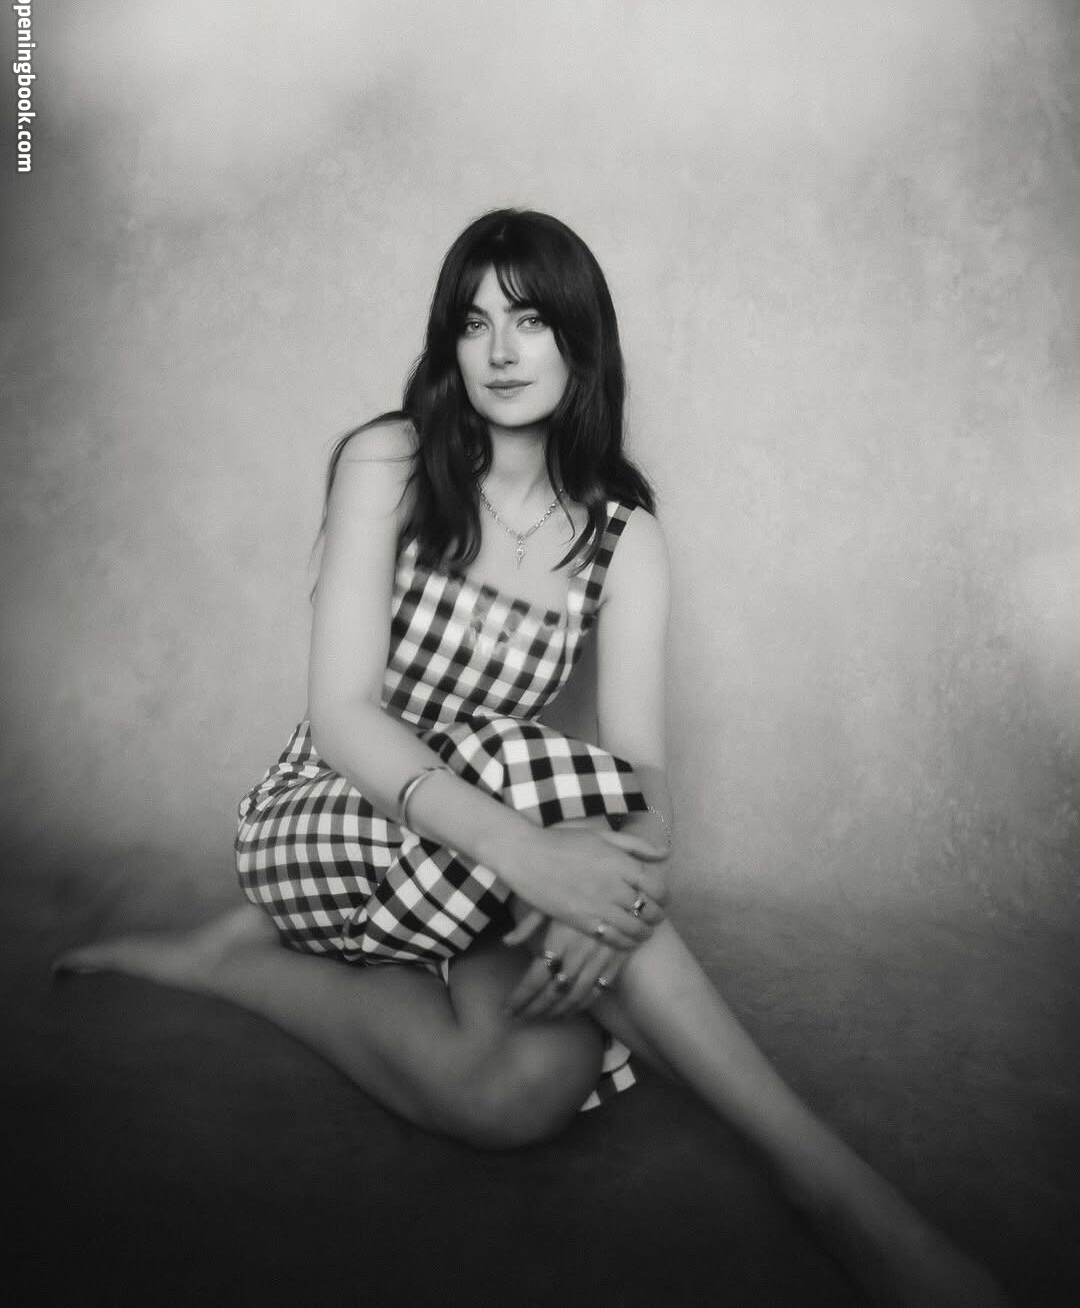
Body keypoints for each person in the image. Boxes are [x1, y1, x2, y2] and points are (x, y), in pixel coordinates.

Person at [57, 208, 1008, 1307]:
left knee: (521, 1086)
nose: (501, 352)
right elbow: (345, 716)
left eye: (530, 321)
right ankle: (832, 1186)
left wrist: (610, 899)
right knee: (517, 756)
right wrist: (534, 856)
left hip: (470, 864)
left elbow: (644, 775)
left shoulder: (623, 537)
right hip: (327, 815)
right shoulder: (389, 462)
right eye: (474, 324)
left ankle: (231, 964)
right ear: (449, 345)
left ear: (579, 338)